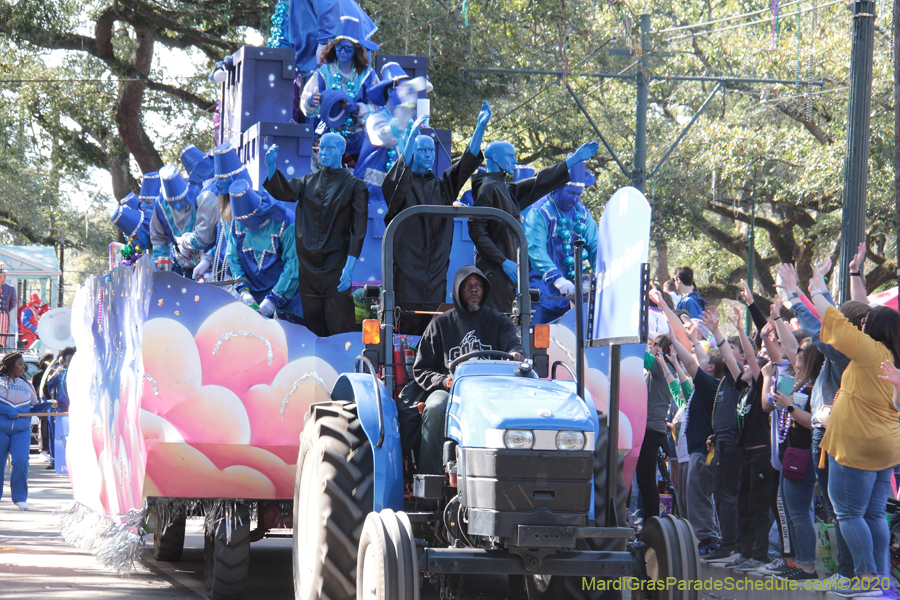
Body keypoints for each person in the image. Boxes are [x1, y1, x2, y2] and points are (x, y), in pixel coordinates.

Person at [806, 259, 900, 596]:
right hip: (887, 446)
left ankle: (866, 578)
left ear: (872, 329)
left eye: (865, 323)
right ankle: (881, 581)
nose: (860, 327)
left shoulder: (870, 351)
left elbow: (832, 320)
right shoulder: (892, 356)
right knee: (874, 514)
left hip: (857, 445)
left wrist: (816, 288)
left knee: (848, 514)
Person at [778, 261, 867, 585]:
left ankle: (851, 574)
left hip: (837, 436)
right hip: (844, 434)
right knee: (852, 511)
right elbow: (827, 321)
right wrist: (827, 283)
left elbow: (819, 329)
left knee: (843, 511)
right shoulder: (868, 347)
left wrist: (797, 294)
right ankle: (858, 573)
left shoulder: (848, 351)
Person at [399, 265, 525, 474]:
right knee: (435, 406)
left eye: (478, 286)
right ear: (458, 291)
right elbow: (422, 369)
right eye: (468, 286)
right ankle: (430, 480)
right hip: (450, 392)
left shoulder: (499, 321)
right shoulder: (440, 324)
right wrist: (444, 382)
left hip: (493, 392)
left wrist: (515, 353)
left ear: (484, 290)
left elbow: (513, 345)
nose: (474, 290)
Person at [381, 102, 490, 335]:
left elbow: (466, 163)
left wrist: (480, 127)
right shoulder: (400, 187)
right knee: (402, 335)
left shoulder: (443, 186)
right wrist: (411, 136)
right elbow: (400, 174)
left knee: (430, 334)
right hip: (405, 279)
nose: (428, 155)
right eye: (422, 150)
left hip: (435, 279)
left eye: (431, 150)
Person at [468, 140, 599, 313]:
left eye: (578, 195)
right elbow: (476, 230)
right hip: (500, 274)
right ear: (495, 158)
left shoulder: (503, 189)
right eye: (510, 156)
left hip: (507, 274)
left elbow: (538, 182)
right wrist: (503, 261)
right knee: (497, 322)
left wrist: (572, 161)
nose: (515, 161)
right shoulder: (489, 189)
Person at [264, 132, 368, 336]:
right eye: (321, 148)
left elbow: (358, 229)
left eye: (330, 148)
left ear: (341, 151)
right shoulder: (306, 182)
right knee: (313, 329)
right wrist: (270, 166)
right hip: (308, 270)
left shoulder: (356, 187)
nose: (324, 153)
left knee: (340, 327)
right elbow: (283, 191)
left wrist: (350, 266)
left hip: (337, 267)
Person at [524, 159, 599, 324]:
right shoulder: (539, 211)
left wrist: (602, 275)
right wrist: (557, 278)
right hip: (539, 294)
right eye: (571, 193)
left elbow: (595, 247)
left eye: (579, 194)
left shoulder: (582, 214)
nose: (575, 199)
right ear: (557, 187)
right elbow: (535, 249)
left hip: (571, 298)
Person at [300, 15, 380, 158]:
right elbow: (306, 102)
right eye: (339, 47)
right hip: (328, 140)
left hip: (359, 143)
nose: (342, 52)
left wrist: (357, 108)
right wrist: (311, 102)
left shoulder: (368, 75)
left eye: (347, 49)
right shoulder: (323, 72)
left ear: (356, 50)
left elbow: (380, 108)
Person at [225, 179, 303, 322]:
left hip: (287, 303)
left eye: (247, 221)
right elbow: (233, 258)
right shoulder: (237, 223)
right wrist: (243, 291)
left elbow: (293, 264)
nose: (244, 226)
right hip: (253, 302)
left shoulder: (286, 222)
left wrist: (273, 300)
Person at [353, 61, 427, 206]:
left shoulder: (410, 123)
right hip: (369, 196)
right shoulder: (375, 118)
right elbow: (387, 138)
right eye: (405, 88)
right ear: (391, 91)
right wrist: (406, 107)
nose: (409, 93)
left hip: (397, 196)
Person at [0, 352, 53, 510]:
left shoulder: (27, 385)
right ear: (11, 365)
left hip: (21, 431)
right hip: (1, 430)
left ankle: (19, 497)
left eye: (24, 364)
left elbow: (33, 408)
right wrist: (5, 410)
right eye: (20, 364)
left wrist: (45, 405)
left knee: (22, 462)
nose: (24, 367)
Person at [150, 165, 205, 275]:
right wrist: (163, 271)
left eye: (181, 202)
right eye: (171, 204)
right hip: (178, 262)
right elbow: (159, 238)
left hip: (206, 262)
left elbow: (211, 228)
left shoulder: (199, 195)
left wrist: (208, 259)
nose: (178, 208)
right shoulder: (160, 205)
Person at [32, 352, 54, 463]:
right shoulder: (38, 375)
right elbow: (34, 391)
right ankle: (44, 450)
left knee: (52, 429)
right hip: (43, 404)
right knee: (43, 429)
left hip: (53, 404)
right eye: (50, 361)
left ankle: (52, 451)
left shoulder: (53, 373)